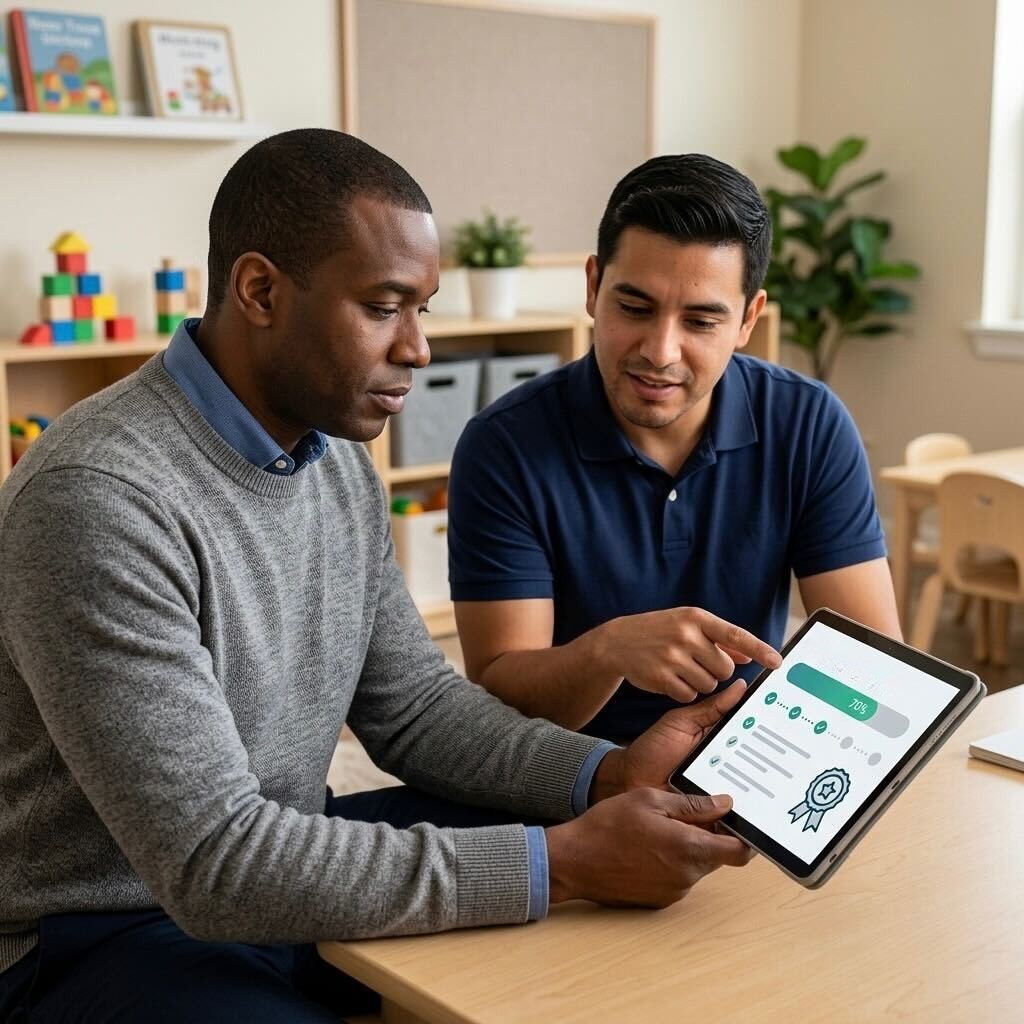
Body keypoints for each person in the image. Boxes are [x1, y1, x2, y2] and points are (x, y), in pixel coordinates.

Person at [0, 130, 756, 1023]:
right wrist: (565, 862)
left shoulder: (332, 460)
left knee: (626, 920)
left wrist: (609, 775)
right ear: (259, 291)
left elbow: (416, 712)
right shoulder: (101, 497)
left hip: (275, 866)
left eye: (424, 308)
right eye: (385, 306)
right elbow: (214, 862)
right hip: (99, 927)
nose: (419, 349)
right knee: (559, 874)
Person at [447, 153, 901, 746]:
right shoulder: (503, 446)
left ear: (747, 320)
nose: (661, 352)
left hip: (749, 760)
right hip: (572, 774)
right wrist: (607, 652)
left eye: (702, 322)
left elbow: (869, 662)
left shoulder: (809, 422)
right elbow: (504, 701)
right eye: (634, 308)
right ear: (593, 287)